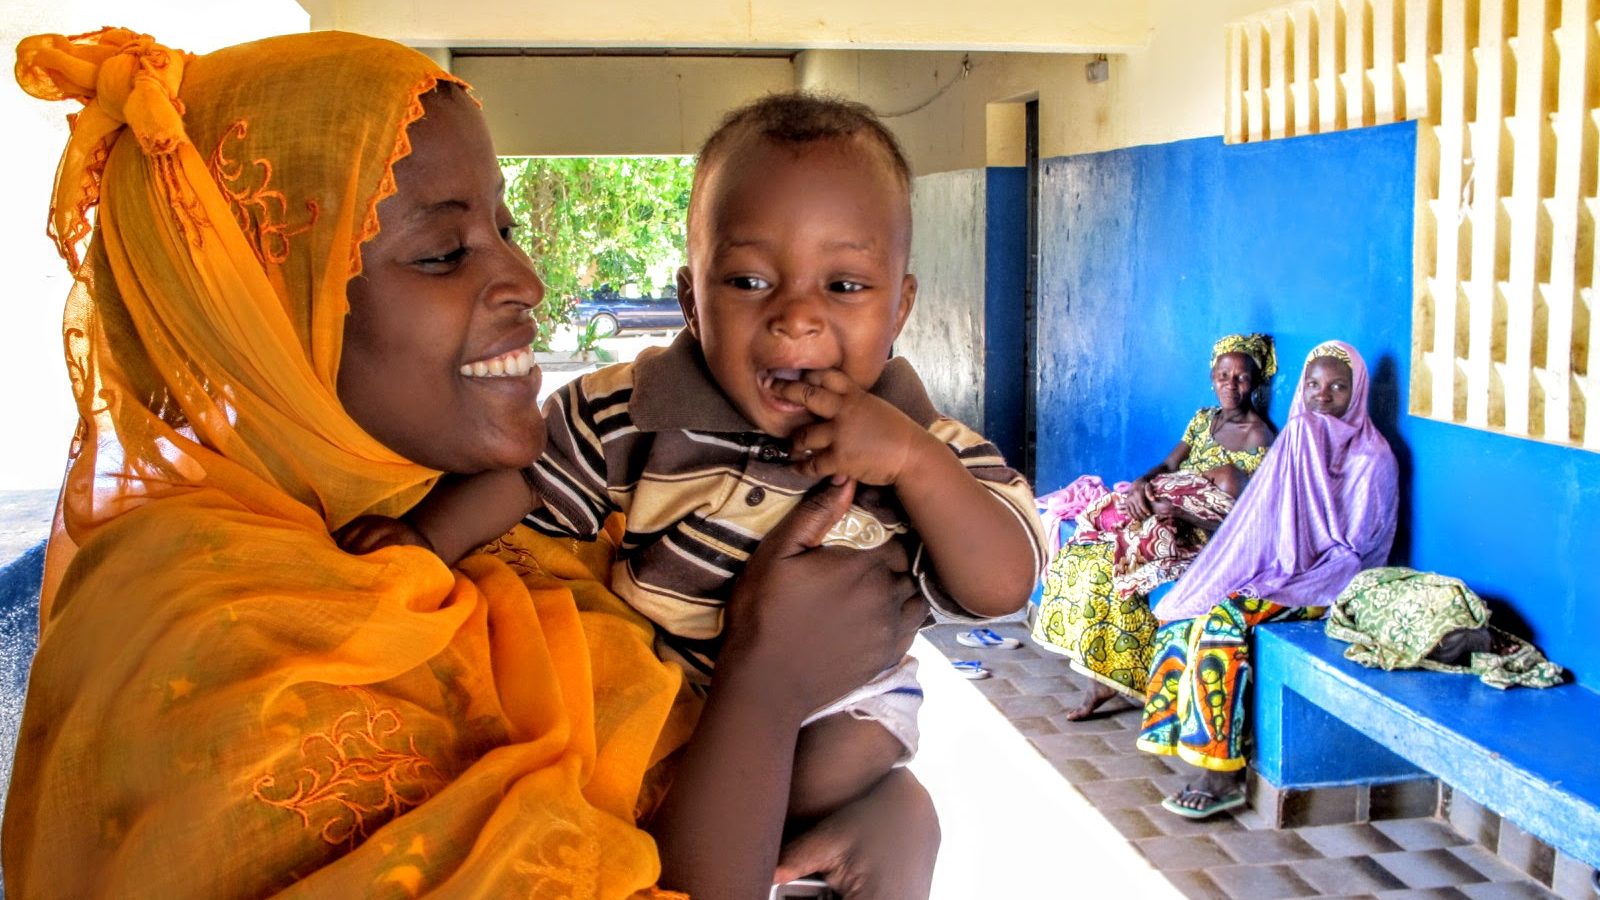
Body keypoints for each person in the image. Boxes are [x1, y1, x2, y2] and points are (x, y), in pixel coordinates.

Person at [6, 28, 937, 899]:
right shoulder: (224, 663)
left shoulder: (491, 534)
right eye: (445, 251)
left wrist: (884, 808)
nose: (528, 282)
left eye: (503, 226)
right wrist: (768, 686)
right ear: (266, 317)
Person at [338, 93, 1048, 821]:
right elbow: (529, 475)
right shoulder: (635, 409)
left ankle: (824, 844)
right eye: (748, 281)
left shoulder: (925, 447)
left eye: (843, 286)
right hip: (660, 692)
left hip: (840, 705)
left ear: (898, 308)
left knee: (858, 769)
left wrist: (914, 462)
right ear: (690, 300)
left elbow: (1004, 584)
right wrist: (426, 540)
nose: (796, 317)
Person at [1137, 341, 1399, 820]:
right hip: (1284, 564)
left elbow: (1356, 547)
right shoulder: (1298, 438)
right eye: (1314, 385)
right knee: (1190, 603)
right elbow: (1264, 513)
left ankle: (1221, 773)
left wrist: (1293, 570)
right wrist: (1256, 562)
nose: (1324, 396)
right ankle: (1181, 739)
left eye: (1338, 386)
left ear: (1357, 391)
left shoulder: (1371, 457)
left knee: (1226, 618)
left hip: (1332, 579)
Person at [1031, 334, 1276, 719]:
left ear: (1255, 383)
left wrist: (1176, 513)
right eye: (1224, 375)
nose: (1231, 384)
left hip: (1202, 534)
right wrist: (1144, 484)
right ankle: (1103, 677)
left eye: (1242, 377)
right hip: (1164, 510)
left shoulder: (1259, 437)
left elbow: (1240, 518)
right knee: (1086, 556)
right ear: (1212, 376)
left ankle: (1137, 679)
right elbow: (1168, 465)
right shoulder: (1203, 420)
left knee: (1119, 568)